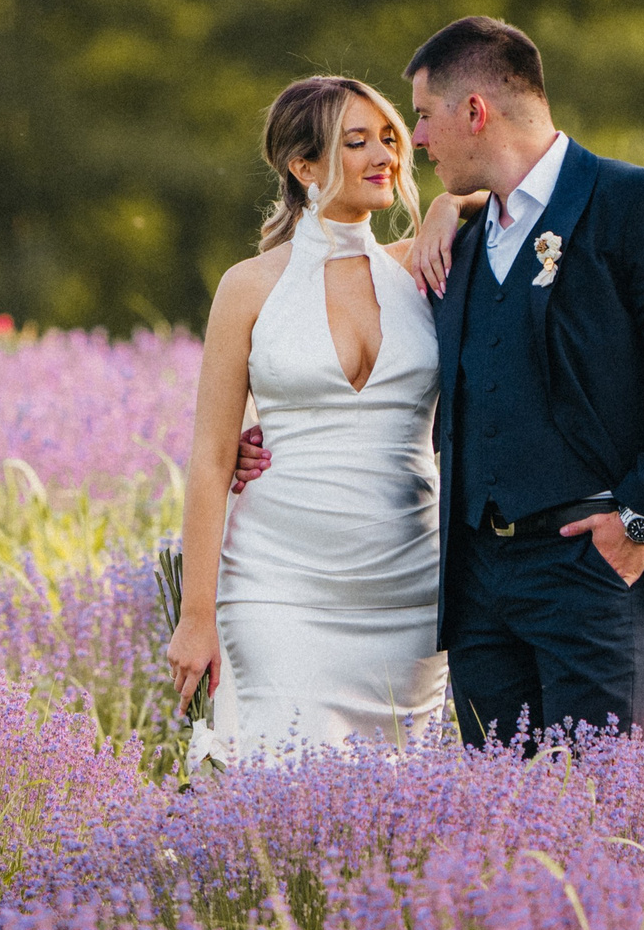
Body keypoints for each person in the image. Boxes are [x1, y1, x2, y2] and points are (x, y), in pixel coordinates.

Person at [230, 16, 644, 747]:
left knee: (599, 803)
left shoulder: (643, 205)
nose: (420, 142)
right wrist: (273, 434)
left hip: (592, 566)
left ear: (475, 112)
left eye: (425, 117)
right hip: (477, 587)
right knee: (492, 814)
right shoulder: (458, 246)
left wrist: (638, 521)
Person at [162, 75, 473, 760]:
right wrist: (196, 615)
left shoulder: (422, 267)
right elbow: (213, 460)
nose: (384, 155)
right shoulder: (248, 288)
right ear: (304, 167)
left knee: (398, 822)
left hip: (410, 600)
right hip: (279, 590)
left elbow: (524, 188)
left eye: (391, 138)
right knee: (277, 804)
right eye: (356, 142)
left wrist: (453, 203)